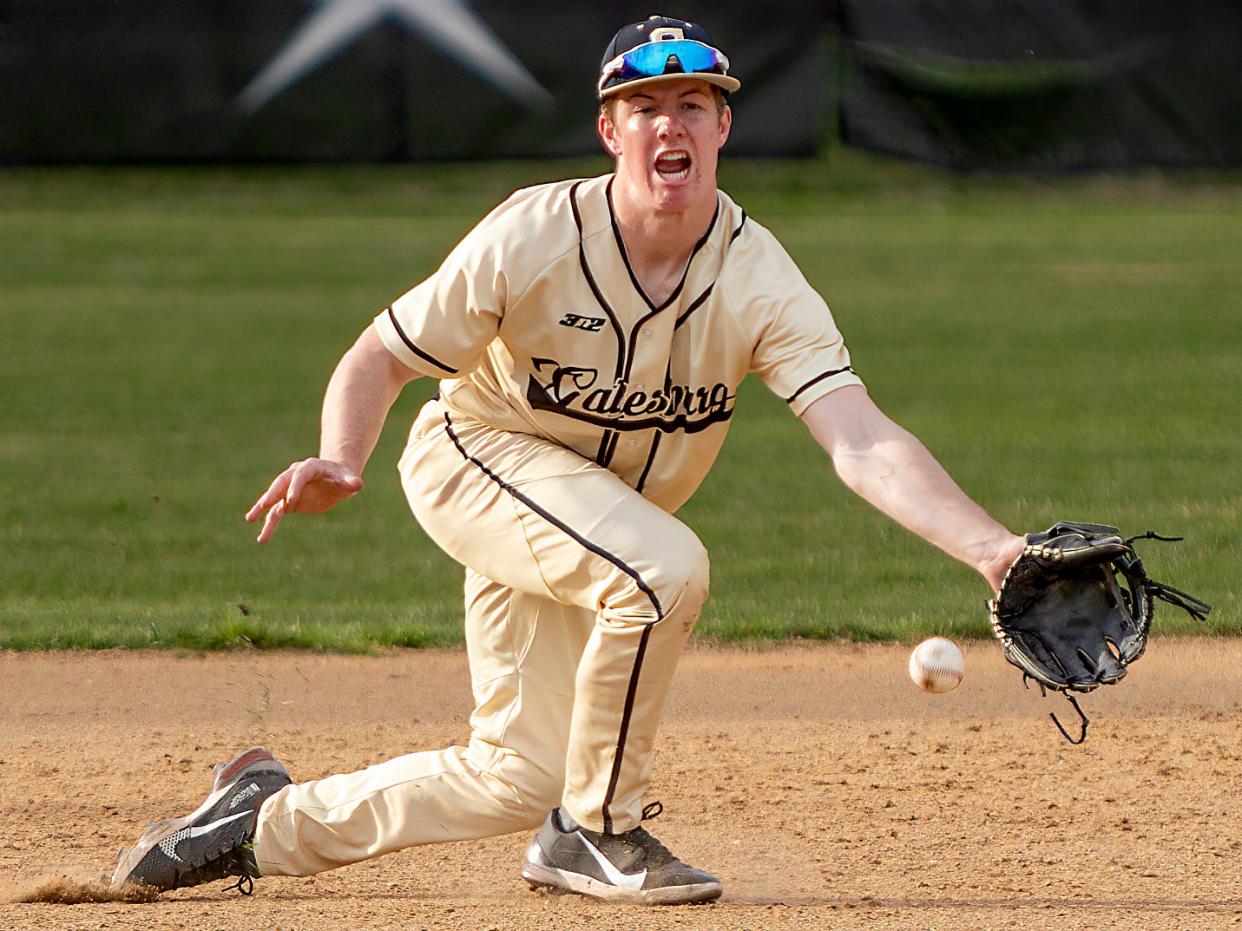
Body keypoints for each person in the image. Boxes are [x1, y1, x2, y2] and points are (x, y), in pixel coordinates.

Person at [111, 15, 1024, 906]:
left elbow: (859, 436)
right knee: (662, 570)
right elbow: (381, 353)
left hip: (584, 517)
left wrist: (995, 551)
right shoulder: (536, 234)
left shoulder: (759, 276)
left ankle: (259, 823)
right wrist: (341, 456)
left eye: (694, 104)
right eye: (645, 105)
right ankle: (598, 829)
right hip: (475, 458)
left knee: (513, 773)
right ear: (609, 130)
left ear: (723, 127)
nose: (671, 123)